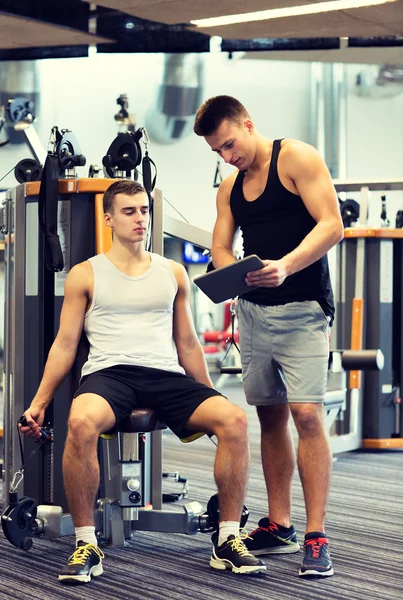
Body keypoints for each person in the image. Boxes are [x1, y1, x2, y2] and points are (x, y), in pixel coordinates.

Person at [20, 179, 266, 584]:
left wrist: (209, 393)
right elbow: (65, 344)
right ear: (109, 218)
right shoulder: (86, 274)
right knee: (80, 423)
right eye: (129, 211)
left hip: (163, 374)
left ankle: (227, 540)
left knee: (235, 420)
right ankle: (86, 542)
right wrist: (40, 401)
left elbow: (186, 341)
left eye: (144, 211)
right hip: (109, 373)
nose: (139, 219)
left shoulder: (172, 272)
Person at [194, 95, 344, 578]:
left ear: (248, 124)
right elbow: (220, 243)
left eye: (231, 145)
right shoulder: (231, 185)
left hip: (303, 307)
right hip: (254, 313)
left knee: (306, 414)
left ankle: (317, 534)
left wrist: (285, 266)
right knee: (270, 417)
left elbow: (332, 225)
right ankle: (280, 524)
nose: (228, 157)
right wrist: (228, 274)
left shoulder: (296, 157)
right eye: (218, 152)